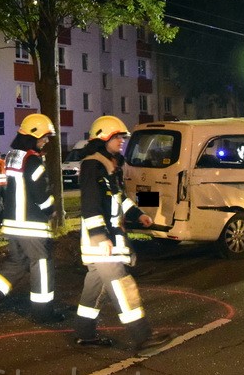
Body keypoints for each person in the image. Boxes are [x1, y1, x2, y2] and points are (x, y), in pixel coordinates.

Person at [73, 115, 174, 355]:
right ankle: (143, 337)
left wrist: (138, 214)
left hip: (104, 241)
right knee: (122, 285)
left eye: (122, 137)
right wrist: (100, 236)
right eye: (117, 137)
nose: (122, 141)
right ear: (103, 139)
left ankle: (84, 334)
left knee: (94, 288)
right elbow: (90, 205)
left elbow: (119, 199)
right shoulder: (92, 165)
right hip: (102, 242)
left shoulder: (109, 165)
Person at [0, 114, 63, 325]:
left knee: (17, 264)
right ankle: (43, 313)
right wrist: (52, 210)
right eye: (44, 137)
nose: (46, 141)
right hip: (31, 225)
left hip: (12, 224)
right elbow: (41, 194)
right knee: (42, 264)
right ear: (34, 136)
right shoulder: (32, 161)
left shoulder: (12, 156)